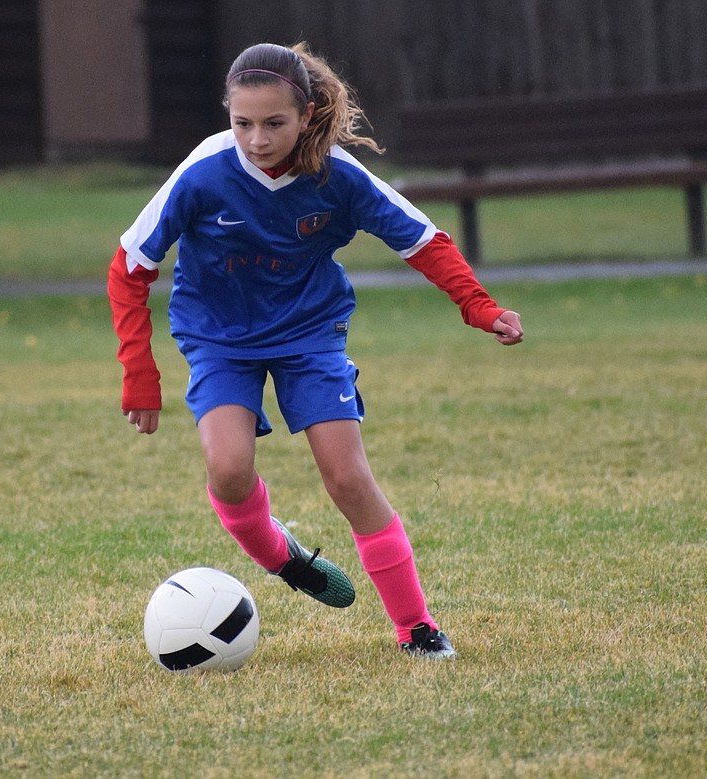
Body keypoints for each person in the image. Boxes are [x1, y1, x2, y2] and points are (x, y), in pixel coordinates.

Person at [107, 42, 523, 659]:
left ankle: (416, 628)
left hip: (309, 334)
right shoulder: (203, 172)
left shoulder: (337, 174)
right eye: (241, 122)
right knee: (227, 469)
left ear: (306, 115)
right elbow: (129, 266)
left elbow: (423, 240)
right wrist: (139, 374)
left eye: (274, 123)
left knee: (349, 476)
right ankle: (286, 558)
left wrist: (479, 306)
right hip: (219, 339)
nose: (255, 139)